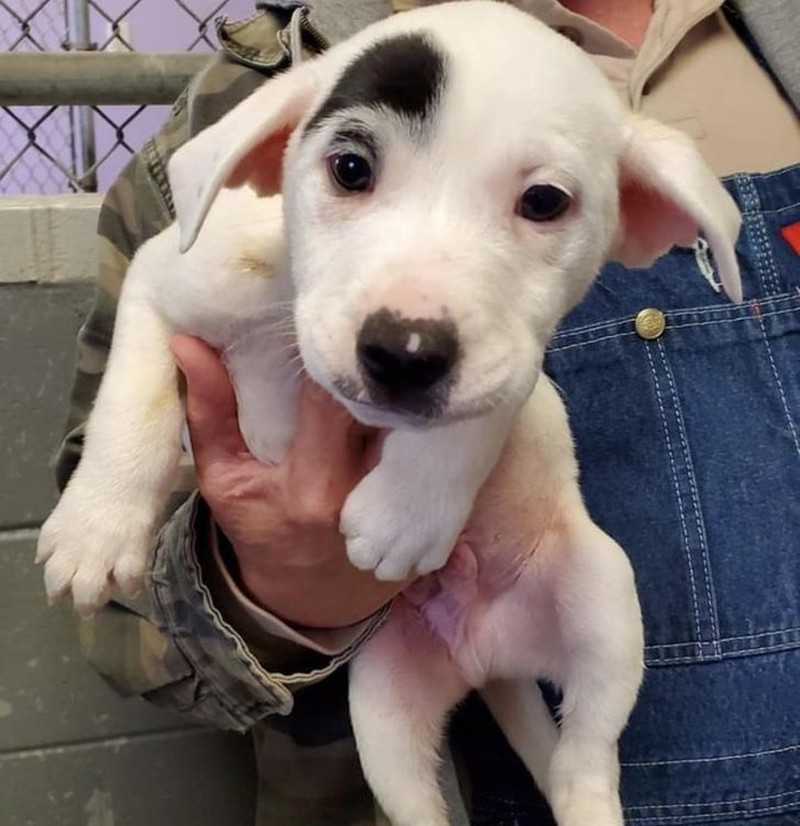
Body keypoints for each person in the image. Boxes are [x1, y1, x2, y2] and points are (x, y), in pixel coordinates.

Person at [57, 1, 800, 823]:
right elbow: (114, 621)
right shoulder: (256, 90)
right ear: (273, 153)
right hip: (390, 715)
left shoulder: (772, 56)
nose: (413, 330)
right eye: (350, 173)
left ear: (646, 213)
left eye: (543, 202)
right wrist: (279, 589)